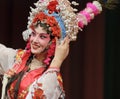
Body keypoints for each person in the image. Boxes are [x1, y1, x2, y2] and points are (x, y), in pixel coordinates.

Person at [0, 0, 103, 98]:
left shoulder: (53, 79)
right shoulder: (18, 58)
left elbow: (39, 94)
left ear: (53, 42)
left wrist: (57, 61)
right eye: (34, 34)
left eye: (42, 37)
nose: (34, 40)